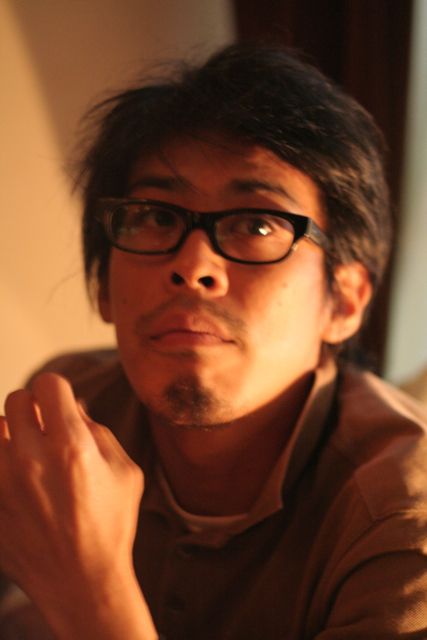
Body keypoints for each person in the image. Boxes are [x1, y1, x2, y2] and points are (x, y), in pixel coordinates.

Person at [1, 43, 427, 640]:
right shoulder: (74, 408)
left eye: (257, 224)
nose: (193, 264)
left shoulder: (401, 522)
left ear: (345, 302)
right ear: (102, 287)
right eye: (156, 217)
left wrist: (90, 590)